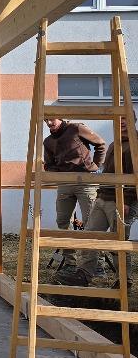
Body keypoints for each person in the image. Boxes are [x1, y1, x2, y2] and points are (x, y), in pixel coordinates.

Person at [72, 119, 136, 287]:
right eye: (119, 119)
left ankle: (124, 280)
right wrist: (99, 194)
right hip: (103, 197)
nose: (122, 122)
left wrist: (127, 201)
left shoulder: (135, 144)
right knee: (90, 235)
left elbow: (135, 175)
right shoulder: (114, 144)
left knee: (118, 241)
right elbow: (107, 171)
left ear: (134, 120)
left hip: (122, 200)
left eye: (126, 118)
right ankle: (84, 274)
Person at [43, 118, 106, 285]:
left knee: (92, 223)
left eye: (51, 119)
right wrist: (56, 171)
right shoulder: (48, 141)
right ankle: (70, 263)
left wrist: (95, 167)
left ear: (60, 118)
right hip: (65, 183)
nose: (49, 123)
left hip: (86, 181)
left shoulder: (76, 128)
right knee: (63, 222)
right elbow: (49, 164)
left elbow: (100, 144)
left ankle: (96, 265)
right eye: (46, 120)